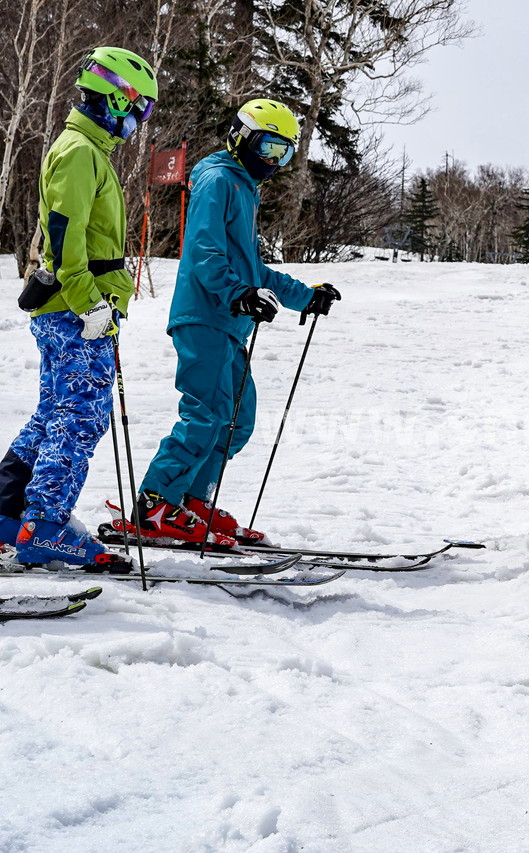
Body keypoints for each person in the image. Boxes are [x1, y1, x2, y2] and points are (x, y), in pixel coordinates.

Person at [131, 99, 340, 545]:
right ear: (242, 136)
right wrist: (238, 295)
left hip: (228, 323)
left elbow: (253, 269)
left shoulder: (244, 188)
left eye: (283, 153)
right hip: (204, 315)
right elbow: (205, 251)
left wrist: (305, 296)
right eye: (268, 147)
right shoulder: (218, 179)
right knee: (206, 413)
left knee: (237, 419)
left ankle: (191, 501)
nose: (273, 161)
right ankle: (154, 503)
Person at [0, 47, 158, 569]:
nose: (137, 123)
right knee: (80, 416)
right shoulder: (79, 152)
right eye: (140, 110)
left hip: (72, 307)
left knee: (55, 412)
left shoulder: (88, 149)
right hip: (75, 309)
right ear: (117, 98)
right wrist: (91, 303)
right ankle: (44, 523)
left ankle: (7, 509)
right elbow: (65, 235)